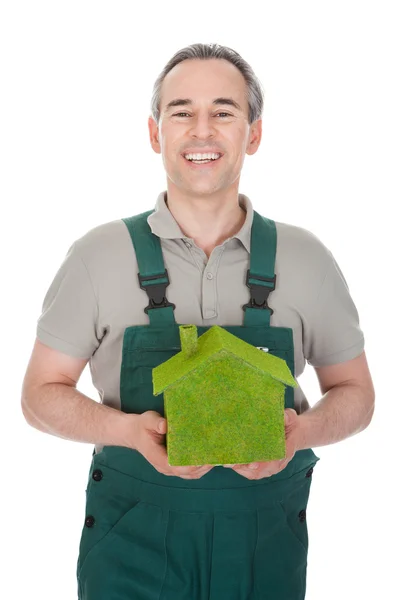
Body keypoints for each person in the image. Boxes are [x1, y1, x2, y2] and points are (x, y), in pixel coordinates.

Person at [21, 43, 375, 600]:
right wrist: (126, 433)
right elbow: (39, 395)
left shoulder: (307, 260)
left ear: (253, 134)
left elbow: (356, 394)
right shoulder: (98, 256)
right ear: (155, 133)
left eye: (224, 112)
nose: (202, 130)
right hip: (132, 541)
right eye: (181, 111)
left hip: (264, 547)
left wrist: (300, 433)